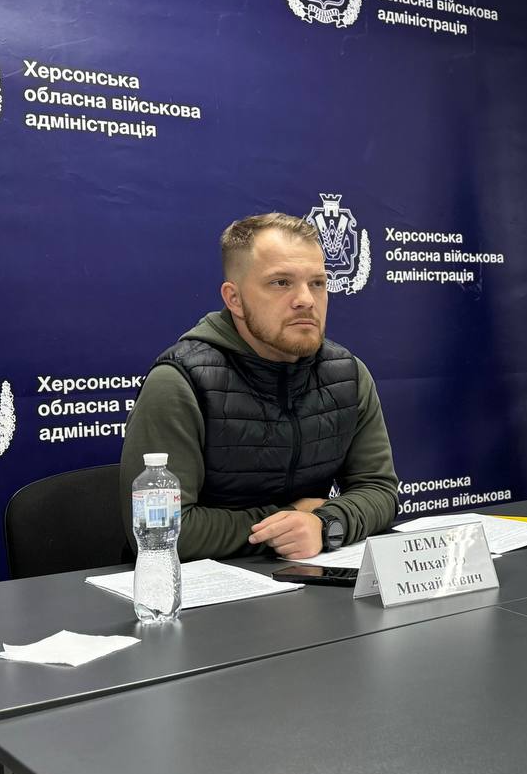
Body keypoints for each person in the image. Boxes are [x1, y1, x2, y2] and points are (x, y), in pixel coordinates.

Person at [120, 213, 398, 561]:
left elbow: (379, 490)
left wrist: (325, 523)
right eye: (281, 283)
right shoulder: (180, 382)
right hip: (200, 588)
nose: (306, 300)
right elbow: (160, 530)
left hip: (307, 580)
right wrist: (289, 520)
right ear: (234, 299)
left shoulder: (347, 374)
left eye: (317, 283)